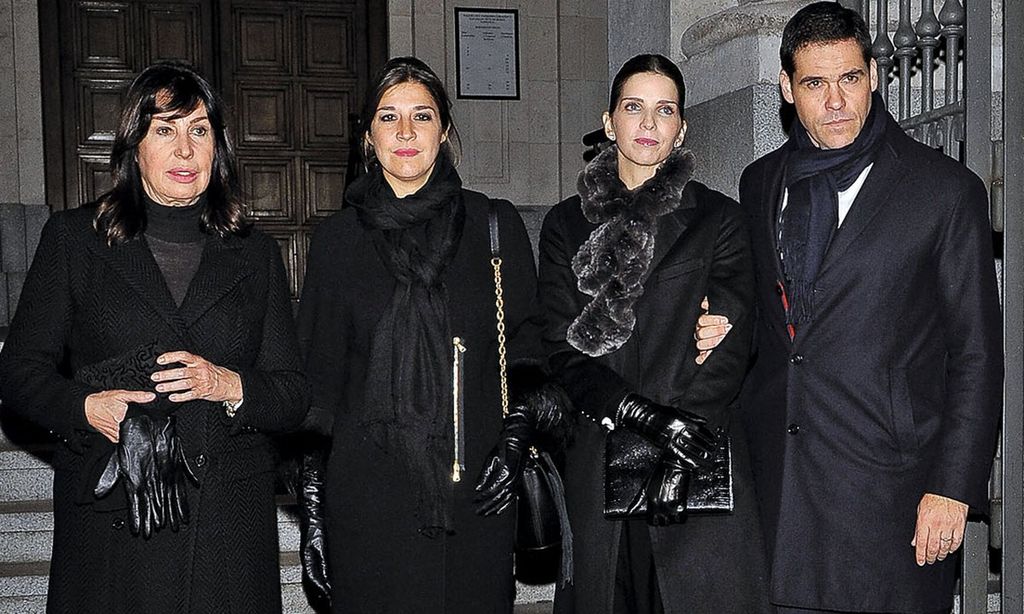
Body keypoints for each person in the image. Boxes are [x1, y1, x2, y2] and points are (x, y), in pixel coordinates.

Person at [717, 4, 1001, 613]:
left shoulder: (944, 192)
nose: (836, 100)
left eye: (849, 78)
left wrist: (950, 489)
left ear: (874, 74)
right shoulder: (760, 182)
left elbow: (977, 353)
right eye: (815, 83)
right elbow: (773, 319)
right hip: (780, 490)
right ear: (788, 91)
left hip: (891, 497)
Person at [0, 62, 307, 613]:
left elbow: (292, 392)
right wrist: (86, 406)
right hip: (114, 524)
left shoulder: (256, 254)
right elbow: (19, 374)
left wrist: (228, 384)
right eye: (164, 129)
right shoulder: (74, 240)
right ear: (134, 144)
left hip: (228, 532)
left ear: (219, 147)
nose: (184, 150)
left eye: (199, 130)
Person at [295, 56, 555, 613]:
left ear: (446, 131)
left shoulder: (495, 224)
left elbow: (531, 354)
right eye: (389, 118)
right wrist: (314, 514)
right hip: (367, 503)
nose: (406, 132)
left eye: (423, 116)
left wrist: (514, 443)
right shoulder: (337, 242)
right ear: (368, 137)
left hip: (477, 500)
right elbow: (316, 388)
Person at [538, 53, 770, 614]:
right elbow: (559, 345)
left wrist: (679, 439)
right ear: (609, 120)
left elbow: (734, 339)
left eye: (664, 110)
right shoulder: (567, 225)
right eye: (633, 108)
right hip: (601, 453)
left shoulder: (719, 219)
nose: (647, 124)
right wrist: (643, 416)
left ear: (682, 127)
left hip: (697, 454)